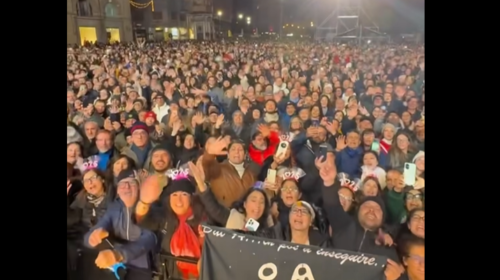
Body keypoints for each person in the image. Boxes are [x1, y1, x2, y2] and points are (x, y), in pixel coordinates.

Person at [84, 169, 157, 280]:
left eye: (131, 183)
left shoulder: (147, 206)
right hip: (116, 265)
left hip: (141, 267)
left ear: (139, 187)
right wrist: (92, 237)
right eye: (122, 184)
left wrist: (119, 254)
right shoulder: (114, 207)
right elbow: (100, 226)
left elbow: (149, 238)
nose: (126, 187)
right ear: (117, 190)